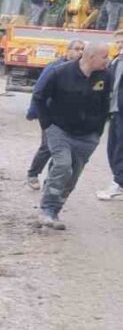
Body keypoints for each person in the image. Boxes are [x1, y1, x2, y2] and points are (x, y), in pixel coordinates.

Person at [32, 43, 111, 229]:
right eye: (104, 56)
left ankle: (55, 211)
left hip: (87, 136)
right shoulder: (60, 72)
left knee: (72, 175)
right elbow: (39, 96)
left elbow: (105, 104)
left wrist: (97, 132)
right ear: (91, 57)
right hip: (60, 129)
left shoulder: (105, 76)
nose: (107, 60)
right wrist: (47, 124)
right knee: (62, 165)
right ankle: (47, 210)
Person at [26, 40, 86, 190]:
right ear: (68, 51)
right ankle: (33, 174)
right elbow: (39, 91)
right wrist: (34, 112)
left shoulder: (83, 71)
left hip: (69, 118)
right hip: (50, 115)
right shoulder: (55, 67)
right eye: (77, 49)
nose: (80, 52)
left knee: (62, 152)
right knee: (47, 147)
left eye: (82, 49)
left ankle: (51, 182)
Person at [97, 30, 123, 200]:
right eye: (118, 42)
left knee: (119, 148)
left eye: (122, 42)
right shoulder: (116, 61)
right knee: (113, 147)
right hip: (114, 111)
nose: (120, 45)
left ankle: (118, 183)